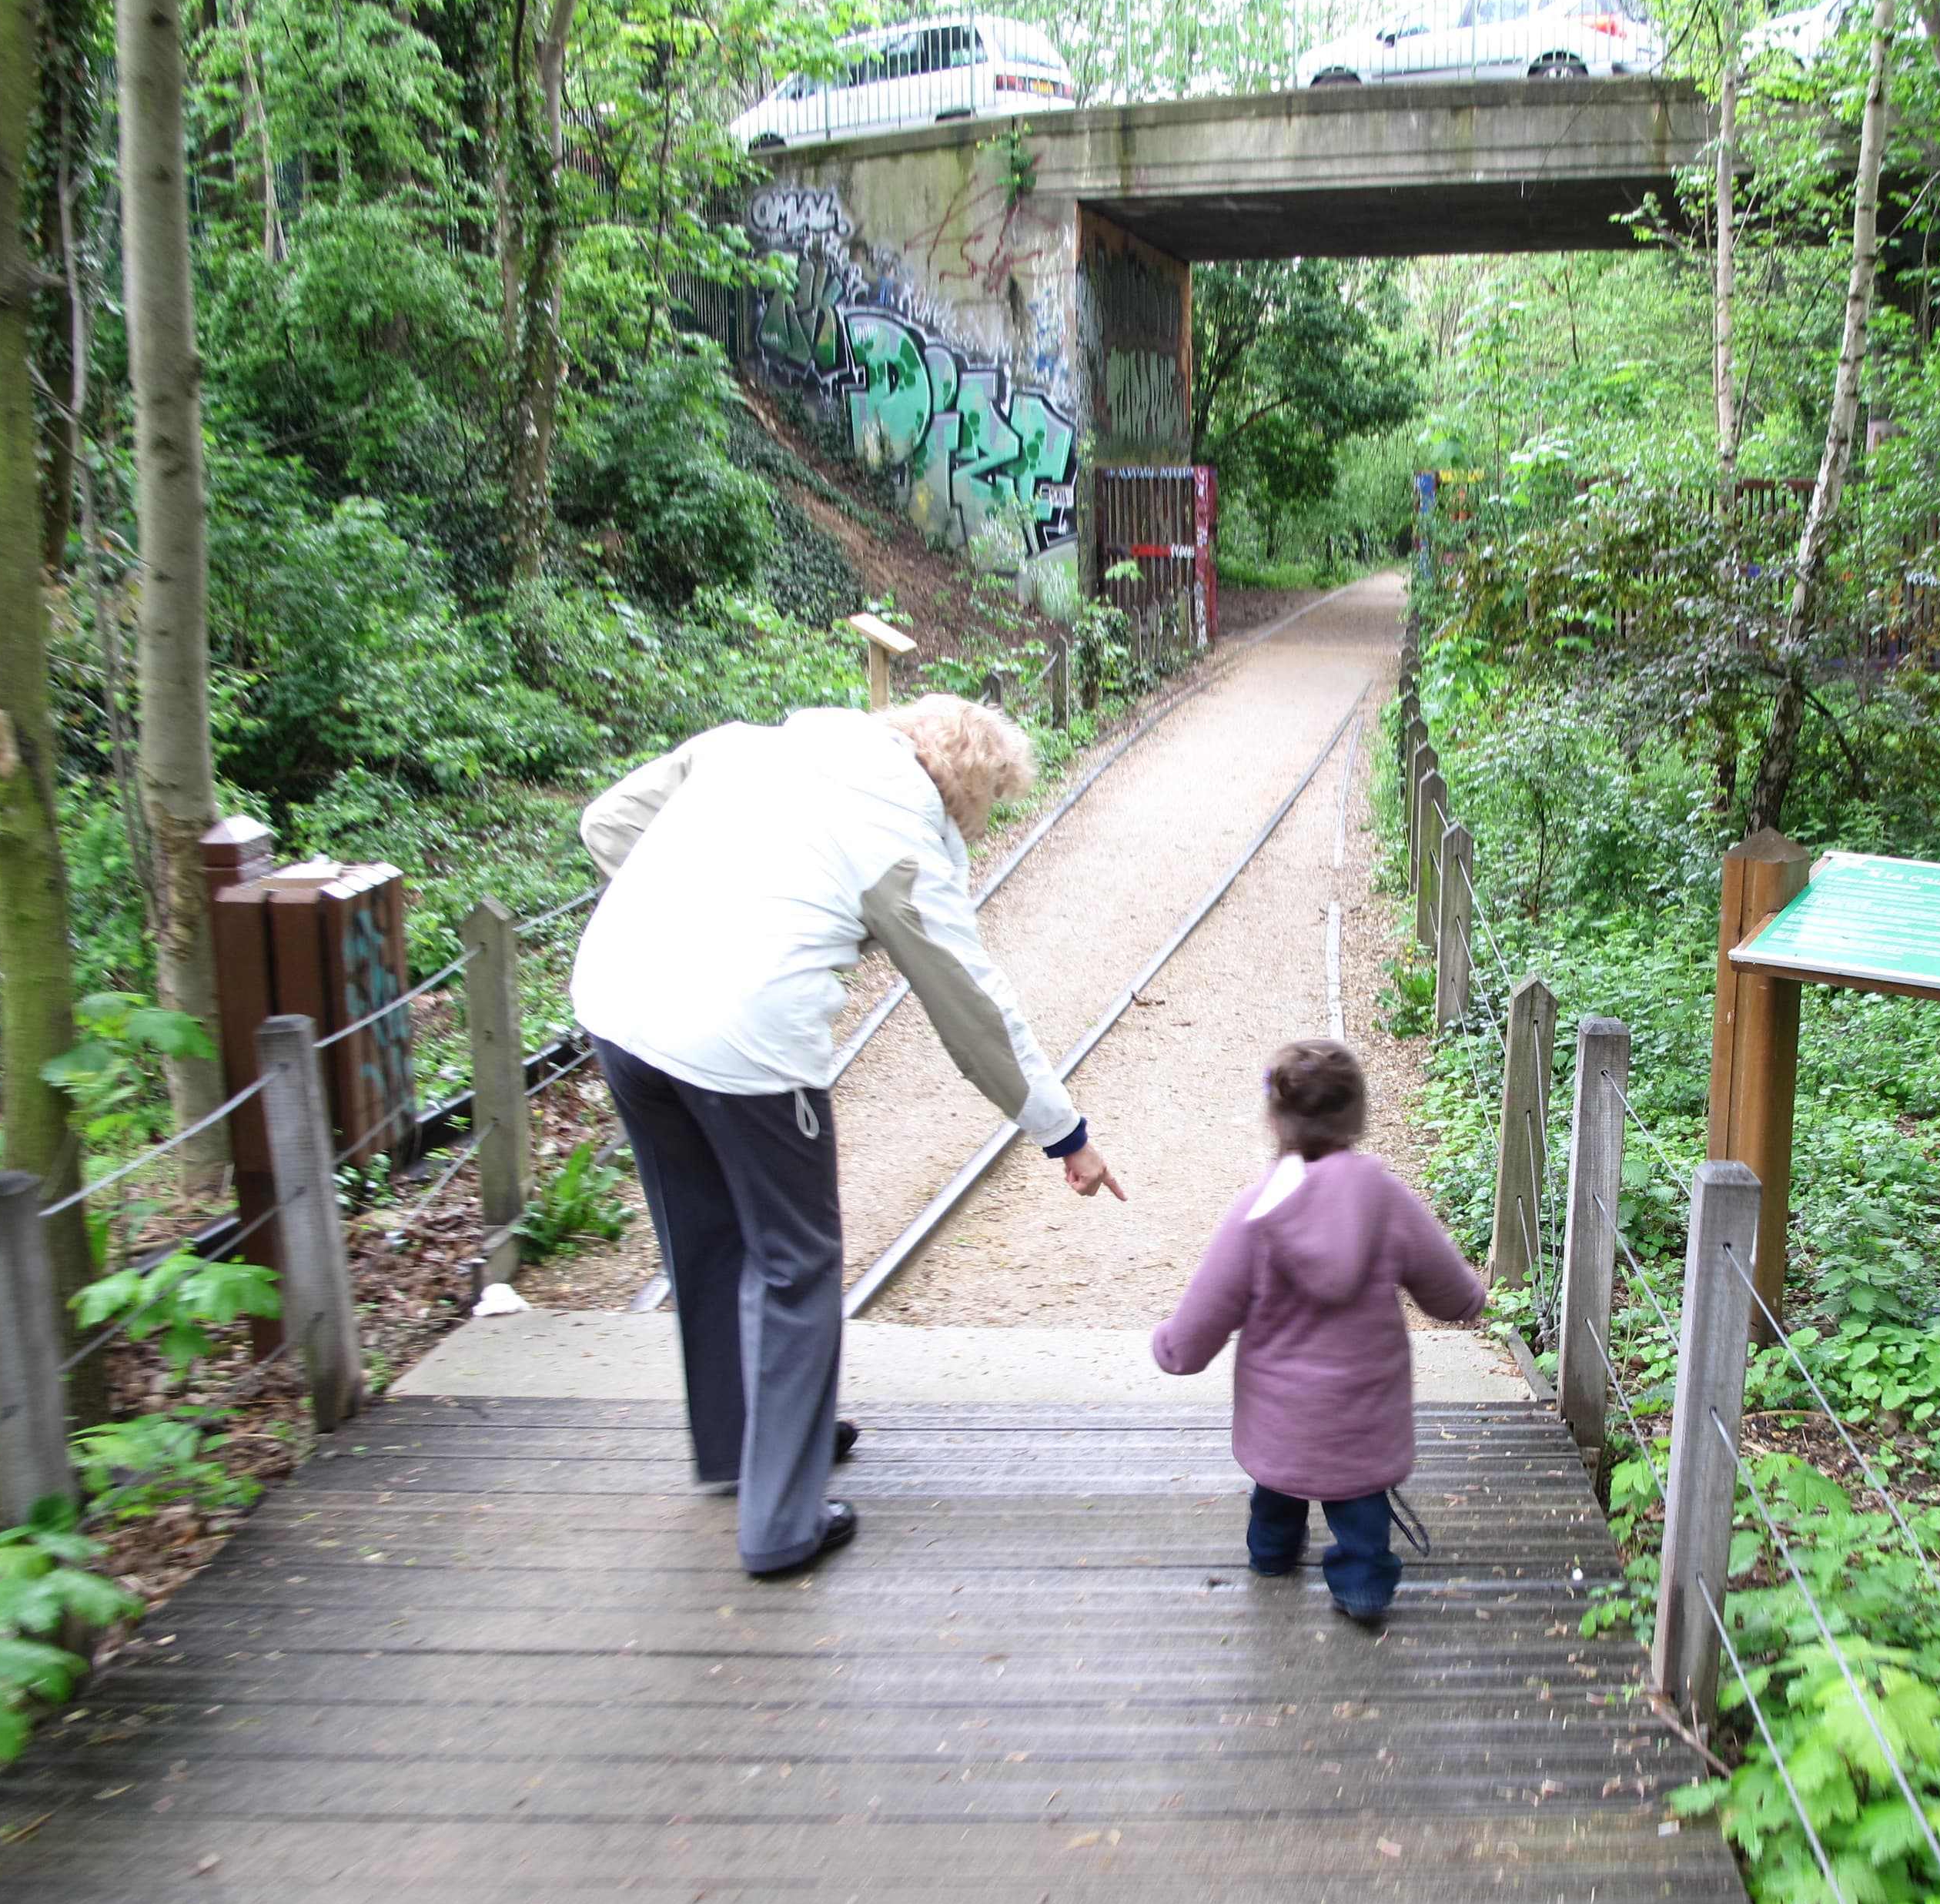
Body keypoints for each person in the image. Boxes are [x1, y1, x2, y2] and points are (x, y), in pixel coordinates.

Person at [570, 694, 1125, 1578]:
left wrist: (686, 925)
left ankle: (748, 1444)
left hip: (616, 999)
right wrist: (1066, 1135)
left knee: (705, 1241)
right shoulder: (903, 833)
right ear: (969, 789)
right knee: (795, 1264)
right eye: (986, 806)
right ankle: (781, 1525)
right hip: (745, 1040)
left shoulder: (750, 745)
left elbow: (608, 824)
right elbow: (973, 1010)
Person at [1150, 1039, 1483, 1626]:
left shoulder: (1255, 1213)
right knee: (1360, 1502)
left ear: (1274, 1120)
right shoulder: (1386, 1201)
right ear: (1358, 1117)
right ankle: (1364, 1587)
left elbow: (1207, 1311)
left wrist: (1173, 1348)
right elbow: (1448, 1290)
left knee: (1276, 1489)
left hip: (1281, 1418)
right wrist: (1468, 1301)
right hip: (1364, 1413)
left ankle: (1271, 1554)